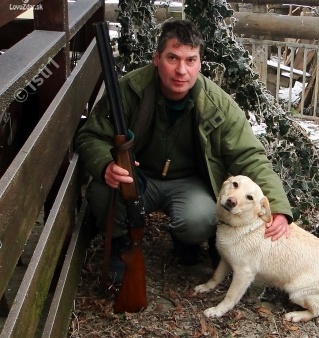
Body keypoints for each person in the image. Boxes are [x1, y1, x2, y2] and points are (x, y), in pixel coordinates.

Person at [76, 19, 292, 283]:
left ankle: (185, 239)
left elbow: (249, 156)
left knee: (199, 219)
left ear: (200, 63)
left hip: (188, 182)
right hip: (137, 178)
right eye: (172, 58)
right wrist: (105, 165)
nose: (181, 70)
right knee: (101, 192)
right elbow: (91, 135)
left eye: (190, 60)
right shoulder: (129, 89)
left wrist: (278, 207)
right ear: (157, 58)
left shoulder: (218, 104)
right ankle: (121, 243)